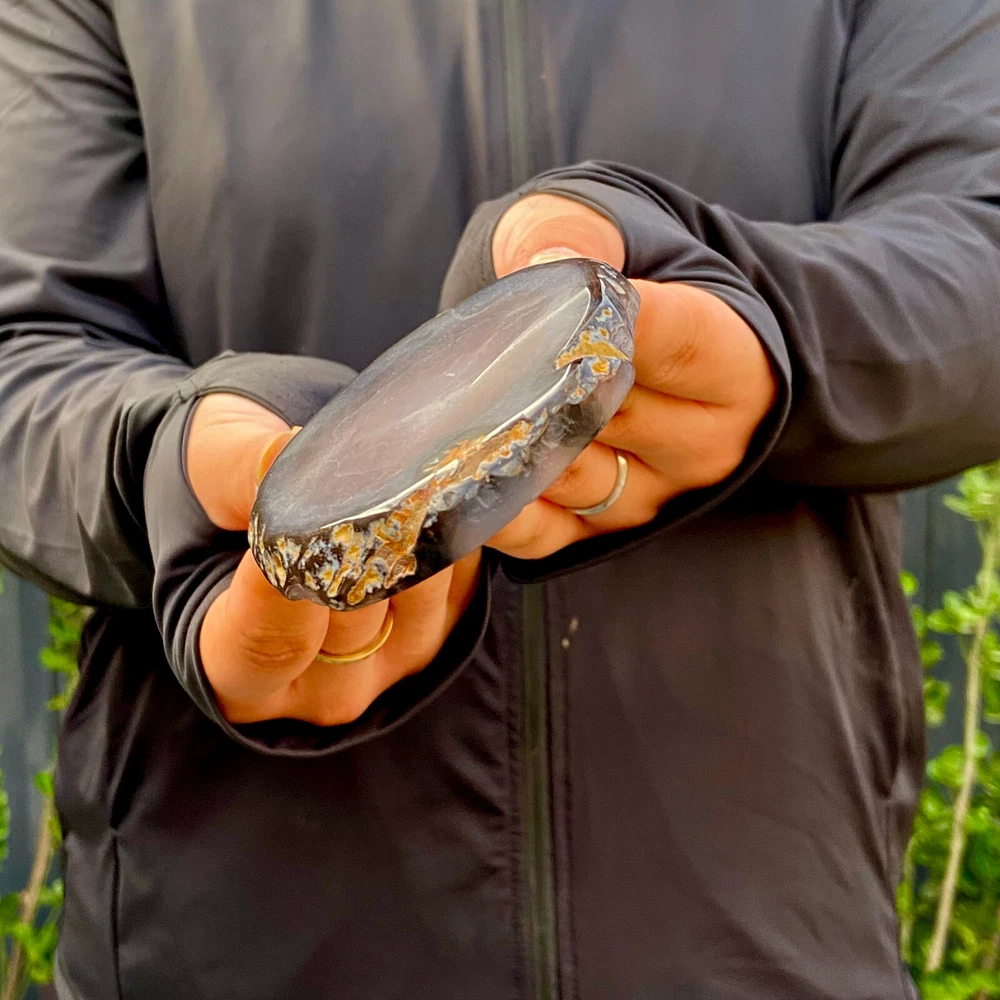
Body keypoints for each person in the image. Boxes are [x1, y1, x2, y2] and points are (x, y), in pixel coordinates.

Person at [0, 0, 998, 996]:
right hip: (228, 940)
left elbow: (977, 244)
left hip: (759, 923)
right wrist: (167, 466)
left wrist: (770, 330)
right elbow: (24, 352)